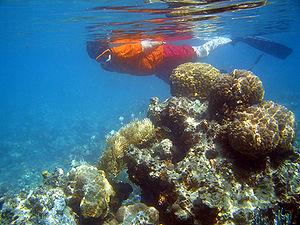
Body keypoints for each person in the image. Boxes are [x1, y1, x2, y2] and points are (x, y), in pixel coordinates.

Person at [87, 37, 232, 83]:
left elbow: (144, 45)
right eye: (101, 59)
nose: (107, 60)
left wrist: (159, 43)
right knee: (178, 82)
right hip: (158, 69)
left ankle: (225, 38)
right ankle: (218, 75)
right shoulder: (106, 66)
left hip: (163, 53)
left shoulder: (119, 51)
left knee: (198, 53)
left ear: (108, 48)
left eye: (106, 55)